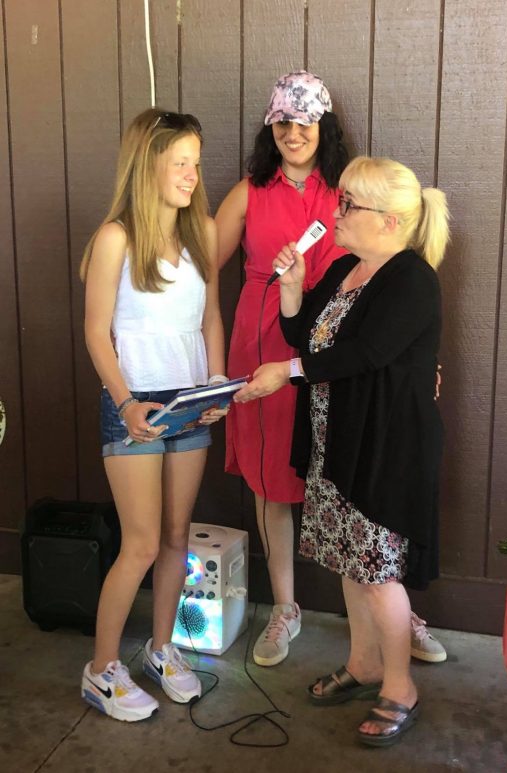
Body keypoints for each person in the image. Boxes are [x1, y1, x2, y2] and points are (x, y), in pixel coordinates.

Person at [216, 70, 446, 667]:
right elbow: (202, 268)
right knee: (275, 477)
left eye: (305, 122)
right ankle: (289, 608)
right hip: (276, 339)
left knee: (360, 482)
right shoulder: (250, 192)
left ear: (324, 127)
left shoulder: (349, 192)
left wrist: (417, 361)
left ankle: (391, 608)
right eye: (283, 122)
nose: (293, 133)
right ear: (270, 127)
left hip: (340, 354)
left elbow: (392, 310)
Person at [234, 156, 450, 747]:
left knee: (377, 572)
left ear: (389, 221)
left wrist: (286, 373)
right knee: (349, 562)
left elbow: (366, 354)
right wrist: (293, 287)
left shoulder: (411, 279)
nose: (337, 212)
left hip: (383, 447)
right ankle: (364, 664)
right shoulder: (344, 268)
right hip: (335, 443)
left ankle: (400, 687)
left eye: (350, 204)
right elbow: (304, 338)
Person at [79, 108, 227, 722]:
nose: (192, 174)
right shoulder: (115, 237)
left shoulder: (204, 233)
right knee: (139, 545)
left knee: (175, 537)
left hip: (191, 404)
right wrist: (125, 402)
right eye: (180, 163)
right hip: (134, 405)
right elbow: (95, 332)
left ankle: (161, 650)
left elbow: (210, 318)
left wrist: (216, 385)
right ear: (148, 166)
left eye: (196, 162)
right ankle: (101, 671)